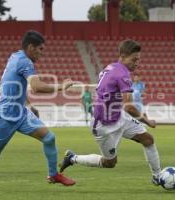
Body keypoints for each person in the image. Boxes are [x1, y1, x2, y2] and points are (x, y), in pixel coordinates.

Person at [0, 30, 76, 190]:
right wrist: (62, 87)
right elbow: (37, 87)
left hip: (21, 113)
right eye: (40, 49)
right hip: (4, 117)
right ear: (31, 47)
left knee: (49, 138)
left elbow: (16, 85)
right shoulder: (25, 62)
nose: (42, 54)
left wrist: (29, 105)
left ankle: (53, 175)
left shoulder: (15, 56)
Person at [59, 39, 161, 185]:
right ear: (123, 56)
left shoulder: (111, 67)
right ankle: (72, 158)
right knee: (110, 163)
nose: (137, 63)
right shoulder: (123, 74)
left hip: (118, 116)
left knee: (148, 139)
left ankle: (157, 176)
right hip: (103, 125)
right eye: (134, 59)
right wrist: (148, 121)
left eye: (139, 59)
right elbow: (129, 107)